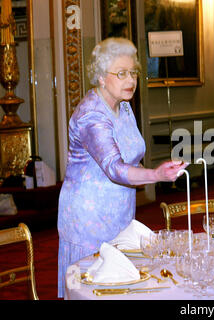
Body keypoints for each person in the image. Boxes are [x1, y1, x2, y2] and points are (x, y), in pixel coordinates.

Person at [57, 37, 187, 298]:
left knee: (124, 286)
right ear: (101, 77)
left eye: (134, 73)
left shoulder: (124, 107)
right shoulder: (91, 115)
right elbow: (115, 169)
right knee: (96, 288)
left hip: (120, 213)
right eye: (121, 73)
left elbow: (130, 156)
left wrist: (154, 171)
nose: (131, 81)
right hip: (89, 219)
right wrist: (156, 175)